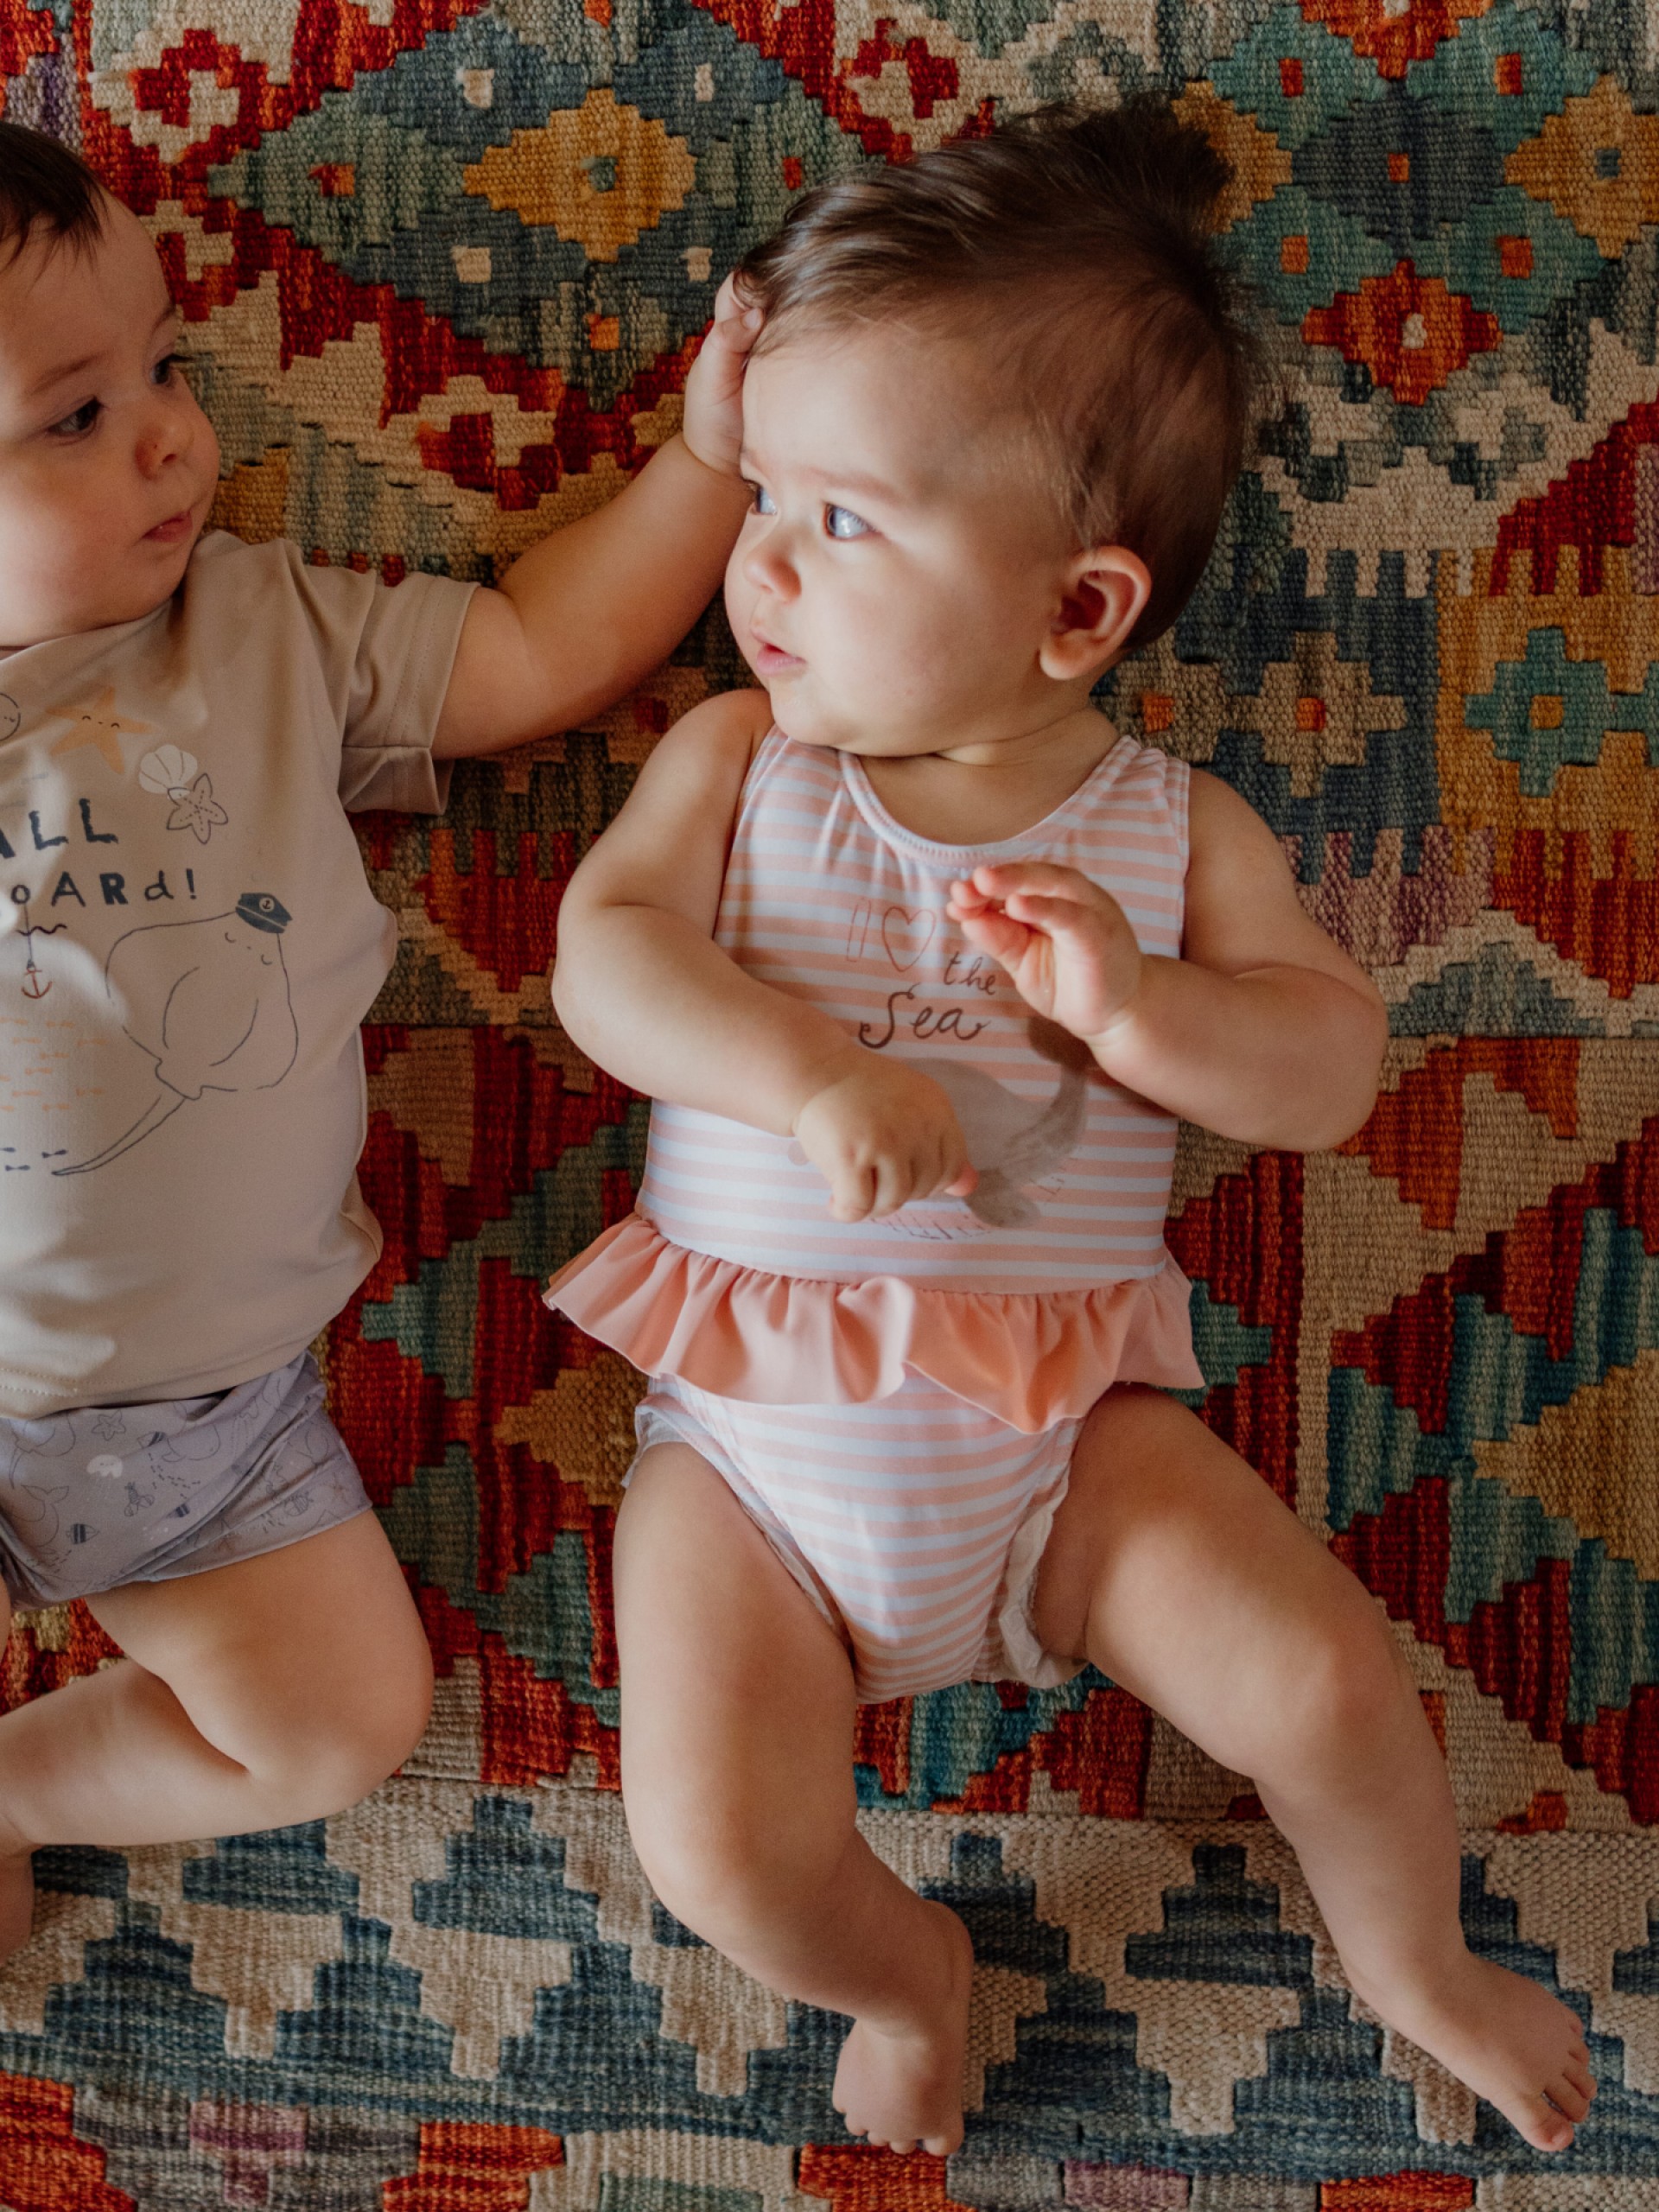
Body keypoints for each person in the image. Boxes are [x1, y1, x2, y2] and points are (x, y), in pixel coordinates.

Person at [546, 100, 1596, 2159]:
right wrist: (804, 1075)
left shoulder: (1165, 829)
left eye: (842, 521)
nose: (757, 563)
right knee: (719, 1843)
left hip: (1074, 1446)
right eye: (766, 495)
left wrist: (1139, 1005)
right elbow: (606, 960)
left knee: (1323, 1685)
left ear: (1078, 608)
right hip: (754, 1452)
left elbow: (1325, 1070)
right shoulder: (741, 758)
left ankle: (1413, 1951)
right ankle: (900, 1964)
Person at [0, 120, 753, 1959]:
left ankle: (15, 1784)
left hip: (209, 1412)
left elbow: (522, 648)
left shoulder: (257, 634)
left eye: (163, 365)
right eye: (70, 416)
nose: (172, 432)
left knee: (340, 1718)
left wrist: (714, 469)